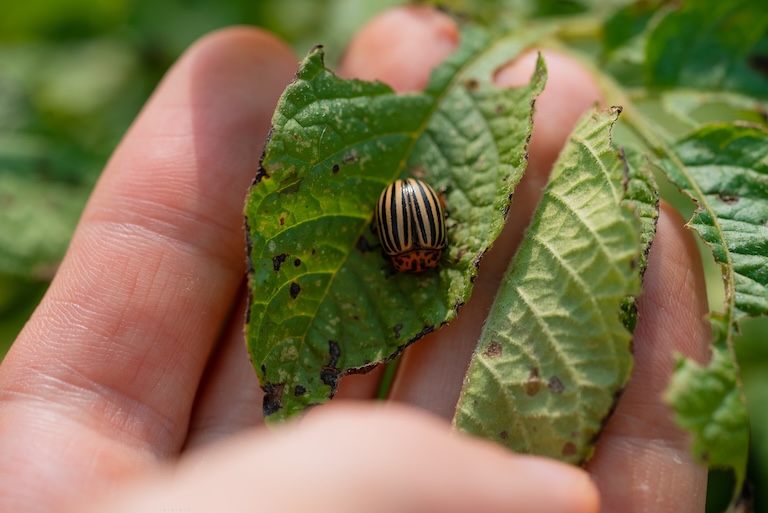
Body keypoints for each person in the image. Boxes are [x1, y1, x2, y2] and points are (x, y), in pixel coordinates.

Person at [0, 6, 710, 513]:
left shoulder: (412, 240)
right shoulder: (419, 239)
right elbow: (413, 225)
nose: (415, 267)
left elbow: (407, 226)